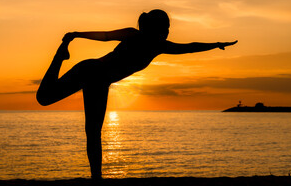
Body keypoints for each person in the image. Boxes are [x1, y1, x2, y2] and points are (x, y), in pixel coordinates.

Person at [36, 9, 237, 179]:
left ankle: (96, 179)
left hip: (99, 80)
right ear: (157, 28)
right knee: (45, 99)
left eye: (168, 28)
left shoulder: (158, 46)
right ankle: (60, 56)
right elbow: (106, 36)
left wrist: (215, 44)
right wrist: (77, 34)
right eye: (166, 27)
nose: (168, 31)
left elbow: (189, 48)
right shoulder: (134, 35)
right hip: (91, 71)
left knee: (93, 130)